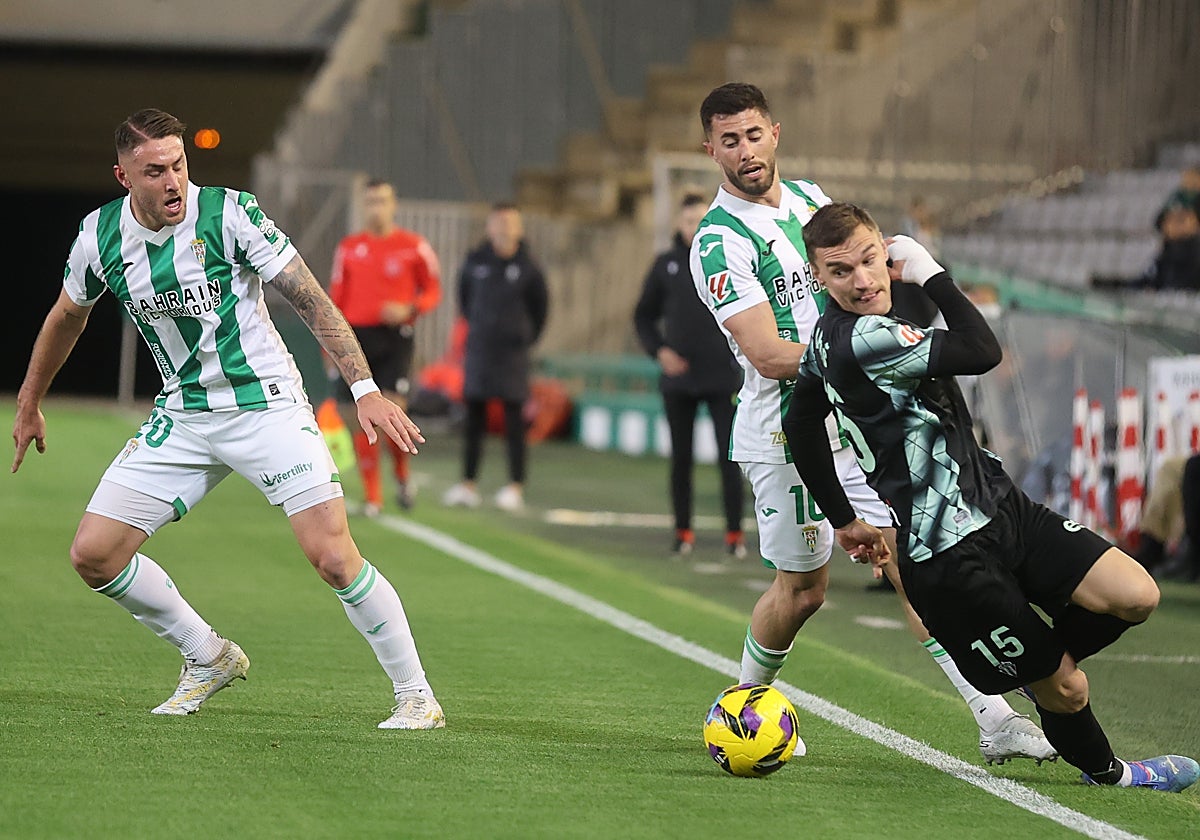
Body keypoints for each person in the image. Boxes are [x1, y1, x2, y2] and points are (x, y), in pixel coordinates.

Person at [10, 109, 444, 730]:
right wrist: (30, 400)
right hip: (184, 415)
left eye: (180, 165)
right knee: (94, 555)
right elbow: (67, 315)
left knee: (332, 556)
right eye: (154, 171)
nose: (173, 182)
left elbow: (309, 297)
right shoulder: (98, 237)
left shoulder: (230, 213)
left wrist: (365, 387)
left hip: (265, 404)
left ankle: (416, 696)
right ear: (123, 177)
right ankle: (208, 656)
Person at [690, 82, 1053, 765]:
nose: (745, 151)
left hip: (861, 421)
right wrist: (867, 359)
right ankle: (742, 707)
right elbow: (769, 356)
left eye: (754, 134)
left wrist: (889, 338)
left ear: (776, 133)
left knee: (916, 562)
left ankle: (993, 717)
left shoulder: (810, 200)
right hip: (786, 433)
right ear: (709, 149)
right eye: (728, 140)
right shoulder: (717, 242)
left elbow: (865, 280)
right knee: (803, 593)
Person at [785, 200, 1199, 792]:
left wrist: (845, 518)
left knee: (1136, 594)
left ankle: (1037, 670)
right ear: (818, 275)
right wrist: (932, 273)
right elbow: (983, 351)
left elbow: (802, 421)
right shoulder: (861, 338)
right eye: (841, 271)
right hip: (948, 557)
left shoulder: (822, 340)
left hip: (1002, 508)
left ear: (883, 249)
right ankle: (1111, 772)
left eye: (870, 260)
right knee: (1070, 689)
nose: (864, 280)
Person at [634, 192, 745, 557]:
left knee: (730, 458)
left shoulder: (729, 259)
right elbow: (643, 316)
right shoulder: (665, 264)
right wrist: (660, 351)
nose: (694, 228)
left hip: (722, 376)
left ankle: (735, 536)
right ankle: (682, 532)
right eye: (688, 222)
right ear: (678, 226)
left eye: (701, 220)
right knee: (680, 459)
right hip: (679, 379)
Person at [329, 178, 442, 513]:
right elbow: (335, 298)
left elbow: (433, 290)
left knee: (393, 410)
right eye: (371, 201)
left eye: (383, 201)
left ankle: (403, 476)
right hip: (355, 338)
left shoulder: (413, 246)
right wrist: (330, 347)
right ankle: (373, 497)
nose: (376, 207)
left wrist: (411, 309)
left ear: (394, 205)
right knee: (357, 416)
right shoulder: (349, 248)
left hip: (395, 338)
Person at [442, 203, 548, 512]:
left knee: (515, 421)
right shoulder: (475, 263)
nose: (503, 229)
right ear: (489, 228)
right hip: (479, 351)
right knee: (474, 418)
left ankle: (515, 485)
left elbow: (541, 311)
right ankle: (467, 484)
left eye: (509, 223)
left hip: (513, 355)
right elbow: (464, 301)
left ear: (520, 229)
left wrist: (523, 338)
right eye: (498, 223)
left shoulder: (530, 269)